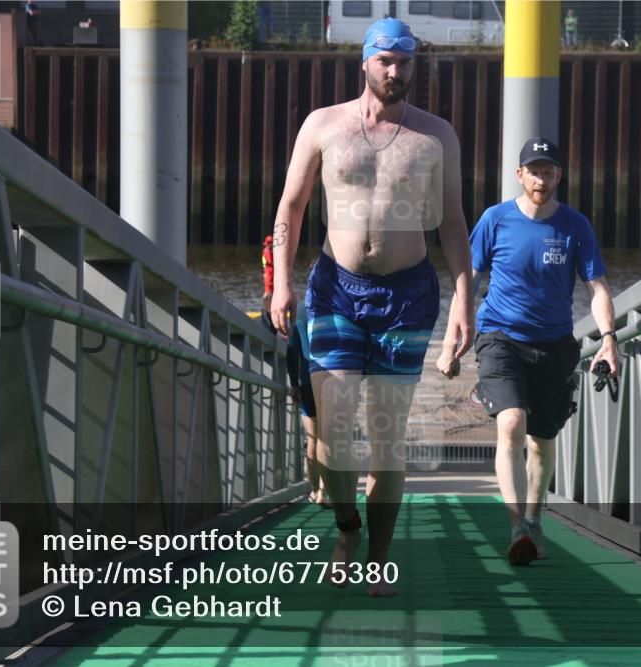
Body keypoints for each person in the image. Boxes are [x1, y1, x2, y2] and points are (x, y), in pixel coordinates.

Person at [270, 18, 474, 596]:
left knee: (387, 438)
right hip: (335, 289)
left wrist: (465, 297)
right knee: (332, 436)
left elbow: (454, 222)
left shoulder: (435, 136)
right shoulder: (324, 125)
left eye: (405, 62)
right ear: (365, 62)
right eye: (386, 60)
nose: (395, 71)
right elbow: (290, 207)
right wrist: (282, 284)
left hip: (407, 298)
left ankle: (379, 560)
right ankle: (347, 527)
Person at [438, 138, 620, 565]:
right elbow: (469, 282)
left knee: (542, 440)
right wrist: (451, 343)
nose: (541, 178)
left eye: (549, 170)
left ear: (559, 176)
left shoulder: (575, 226)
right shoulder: (495, 220)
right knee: (511, 424)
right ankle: (516, 524)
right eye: (533, 170)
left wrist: (610, 338)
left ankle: (535, 521)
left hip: (555, 345)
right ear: (519, 175)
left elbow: (597, 289)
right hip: (501, 337)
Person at [286, 307, 328, 506]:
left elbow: (292, 349)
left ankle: (313, 490)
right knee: (328, 439)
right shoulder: (337, 304)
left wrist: (294, 382)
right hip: (333, 381)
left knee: (312, 439)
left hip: (307, 381)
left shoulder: (301, 311)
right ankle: (324, 492)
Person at [260, 235, 278, 335]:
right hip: (269, 271)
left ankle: (270, 307)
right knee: (269, 291)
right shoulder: (267, 251)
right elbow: (271, 261)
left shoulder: (267, 250)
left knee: (271, 290)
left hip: (270, 271)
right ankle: (268, 309)